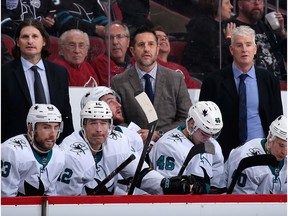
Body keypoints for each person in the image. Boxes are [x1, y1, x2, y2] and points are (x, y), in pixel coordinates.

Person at [56, 100, 208, 195]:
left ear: (110, 125)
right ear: (83, 125)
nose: (98, 129)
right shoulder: (71, 152)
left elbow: (140, 175)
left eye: (103, 123)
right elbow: (63, 200)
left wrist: (167, 184)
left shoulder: (117, 142)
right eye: (93, 123)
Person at [199, 25, 283, 160]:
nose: (244, 49)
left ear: (255, 49)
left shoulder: (269, 81)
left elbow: (278, 119)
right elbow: (203, 121)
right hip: (223, 154)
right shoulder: (212, 82)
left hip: (261, 151)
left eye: (248, 45)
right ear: (231, 50)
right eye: (239, 45)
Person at [111, 26, 192, 144]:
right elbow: (117, 120)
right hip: (133, 147)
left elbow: (186, 118)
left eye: (151, 44)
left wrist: (159, 134)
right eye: (141, 45)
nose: (146, 49)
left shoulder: (175, 79)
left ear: (158, 49)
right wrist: (136, 136)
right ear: (132, 51)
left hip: (170, 146)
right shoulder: (119, 81)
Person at [1, 19, 74, 143]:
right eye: (25, 37)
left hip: (54, 144)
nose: (30, 41)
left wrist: (69, 143)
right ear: (18, 42)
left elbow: (65, 112)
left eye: (35, 36)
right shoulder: (4, 73)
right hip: (17, 146)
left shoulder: (59, 72)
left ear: (44, 41)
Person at [150, 101, 226, 194]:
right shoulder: (168, 146)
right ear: (191, 124)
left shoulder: (213, 145)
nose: (208, 139)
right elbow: (168, 190)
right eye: (204, 133)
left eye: (213, 134)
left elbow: (217, 188)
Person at [1, 104, 65, 196]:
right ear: (31, 128)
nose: (52, 134)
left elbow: (50, 197)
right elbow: (6, 199)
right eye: (46, 127)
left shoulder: (59, 154)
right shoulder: (11, 151)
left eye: (56, 127)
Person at [225, 115, 287, 194]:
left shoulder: (284, 158)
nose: (284, 152)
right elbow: (241, 203)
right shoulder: (246, 160)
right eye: (281, 145)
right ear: (270, 137)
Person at [227, 0, 287, 80]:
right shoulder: (231, 27)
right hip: (250, 84)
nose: (257, 3)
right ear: (240, 4)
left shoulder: (267, 27)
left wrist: (282, 34)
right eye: (251, 0)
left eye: (261, 1)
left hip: (277, 84)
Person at [182, 0, 235, 81]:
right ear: (215, 5)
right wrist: (228, 38)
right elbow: (216, 56)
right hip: (202, 76)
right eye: (227, 3)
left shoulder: (220, 25)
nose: (231, 7)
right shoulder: (204, 26)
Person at [91, 21, 132, 86]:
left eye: (119, 36)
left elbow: (138, 89)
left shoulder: (135, 63)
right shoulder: (99, 64)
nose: (115, 42)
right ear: (104, 43)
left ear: (128, 41)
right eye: (110, 38)